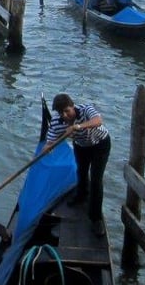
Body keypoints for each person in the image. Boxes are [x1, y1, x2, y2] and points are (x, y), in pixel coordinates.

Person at [46, 93, 111, 237]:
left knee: (95, 180)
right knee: (81, 172)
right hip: (81, 146)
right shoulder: (57, 122)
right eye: (61, 112)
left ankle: (96, 219)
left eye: (67, 111)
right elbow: (49, 141)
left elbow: (98, 120)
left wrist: (78, 126)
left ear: (73, 106)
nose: (64, 115)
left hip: (100, 144)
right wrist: (47, 148)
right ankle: (81, 195)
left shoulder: (86, 109)